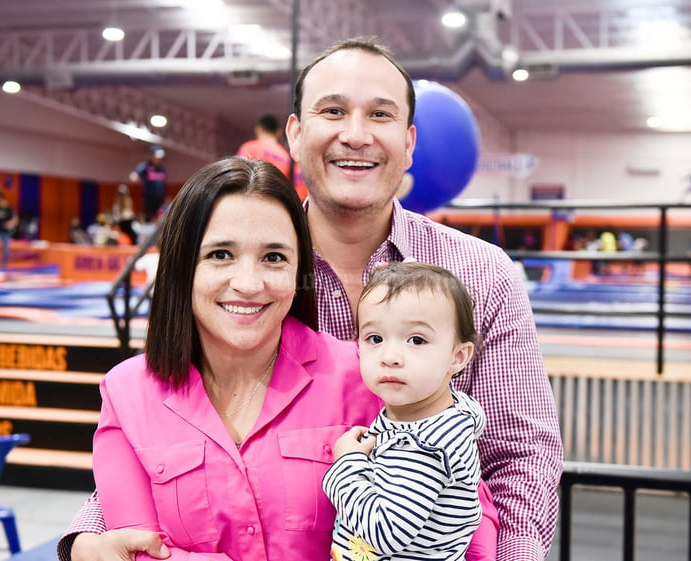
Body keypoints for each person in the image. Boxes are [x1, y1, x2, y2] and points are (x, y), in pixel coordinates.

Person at [60, 36, 561, 561]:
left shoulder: (479, 274)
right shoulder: (251, 267)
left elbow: (520, 458)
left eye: (380, 115)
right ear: (295, 134)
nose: (356, 134)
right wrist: (87, 544)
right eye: (333, 110)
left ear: (410, 141)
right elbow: (161, 443)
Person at [90, 156, 496, 561]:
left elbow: (464, 521)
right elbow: (131, 551)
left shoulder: (367, 377)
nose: (249, 284)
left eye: (274, 258)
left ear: (299, 269)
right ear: (182, 266)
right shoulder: (127, 394)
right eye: (220, 255)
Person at [323, 261, 489, 561]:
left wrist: (346, 465)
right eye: (375, 339)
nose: (390, 357)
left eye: (416, 340)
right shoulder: (426, 416)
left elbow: (386, 533)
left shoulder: (425, 446)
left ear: (458, 356)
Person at [237, 113, 309, 201]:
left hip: (249, 197)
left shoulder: (249, 147)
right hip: (275, 200)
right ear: (278, 132)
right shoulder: (285, 156)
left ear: (258, 129)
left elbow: (238, 175)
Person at [129, 146, 168, 221]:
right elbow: (134, 175)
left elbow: (163, 184)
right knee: (148, 217)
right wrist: (135, 176)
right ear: (151, 156)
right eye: (156, 157)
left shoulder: (162, 168)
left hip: (160, 198)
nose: (159, 159)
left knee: (161, 217)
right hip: (149, 197)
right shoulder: (145, 166)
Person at [0, 191, 17, 269]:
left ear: (0, 199)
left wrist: (11, 224)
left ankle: (5, 265)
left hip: (6, 232)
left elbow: (15, 219)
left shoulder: (9, 208)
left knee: (6, 248)